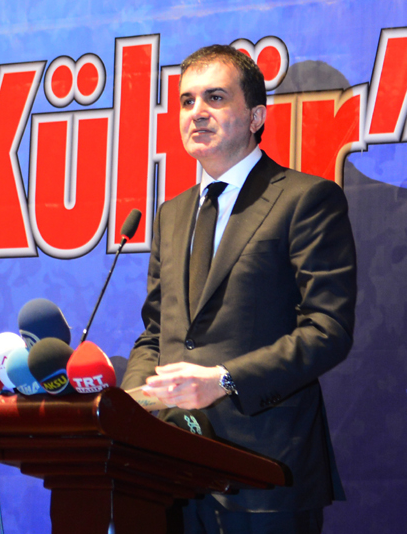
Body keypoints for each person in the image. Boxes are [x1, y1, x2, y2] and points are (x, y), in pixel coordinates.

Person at [122, 44, 357, 533]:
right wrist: (134, 404)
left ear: (255, 117)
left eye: (215, 97)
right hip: (169, 472)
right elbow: (156, 333)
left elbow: (327, 330)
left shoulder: (306, 199)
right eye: (187, 101)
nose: (197, 112)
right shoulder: (171, 215)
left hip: (265, 470)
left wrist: (224, 379)